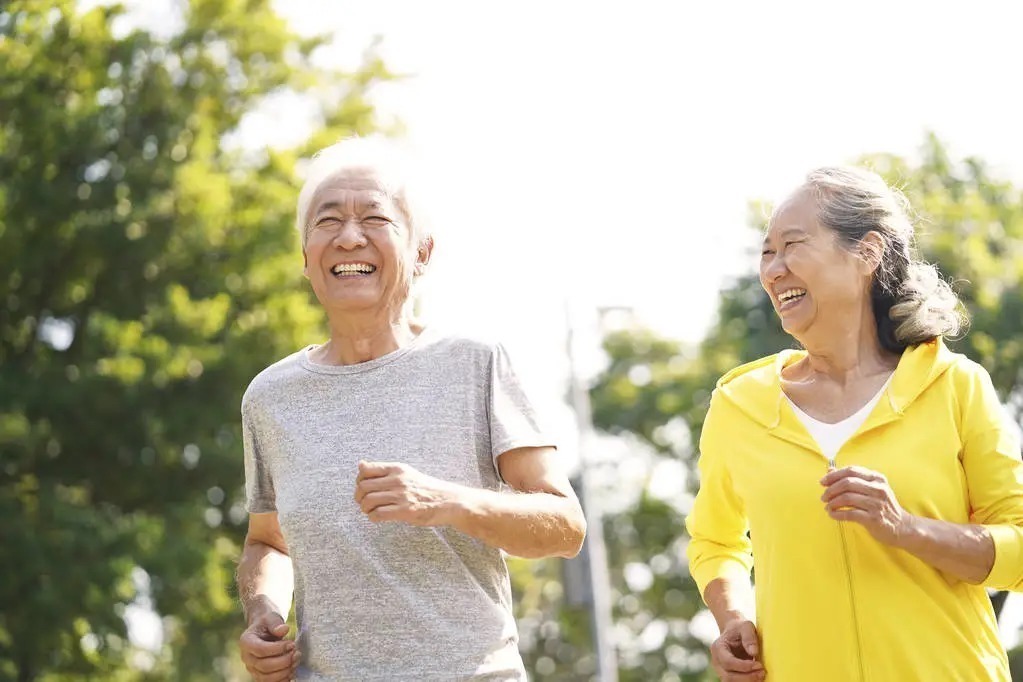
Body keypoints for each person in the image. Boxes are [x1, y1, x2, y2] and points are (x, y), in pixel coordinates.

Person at [235, 138, 586, 681]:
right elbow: (267, 541)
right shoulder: (269, 397)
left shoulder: (475, 363)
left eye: (375, 218)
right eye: (327, 221)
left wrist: (446, 501)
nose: (349, 237)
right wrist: (263, 610)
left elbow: (565, 526)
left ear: (422, 252)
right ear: (306, 258)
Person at [685, 166, 1023, 681]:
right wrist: (733, 618)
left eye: (792, 245)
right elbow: (715, 542)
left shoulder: (955, 386)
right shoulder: (740, 405)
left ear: (867, 252)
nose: (773, 270)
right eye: (767, 252)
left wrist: (905, 527)